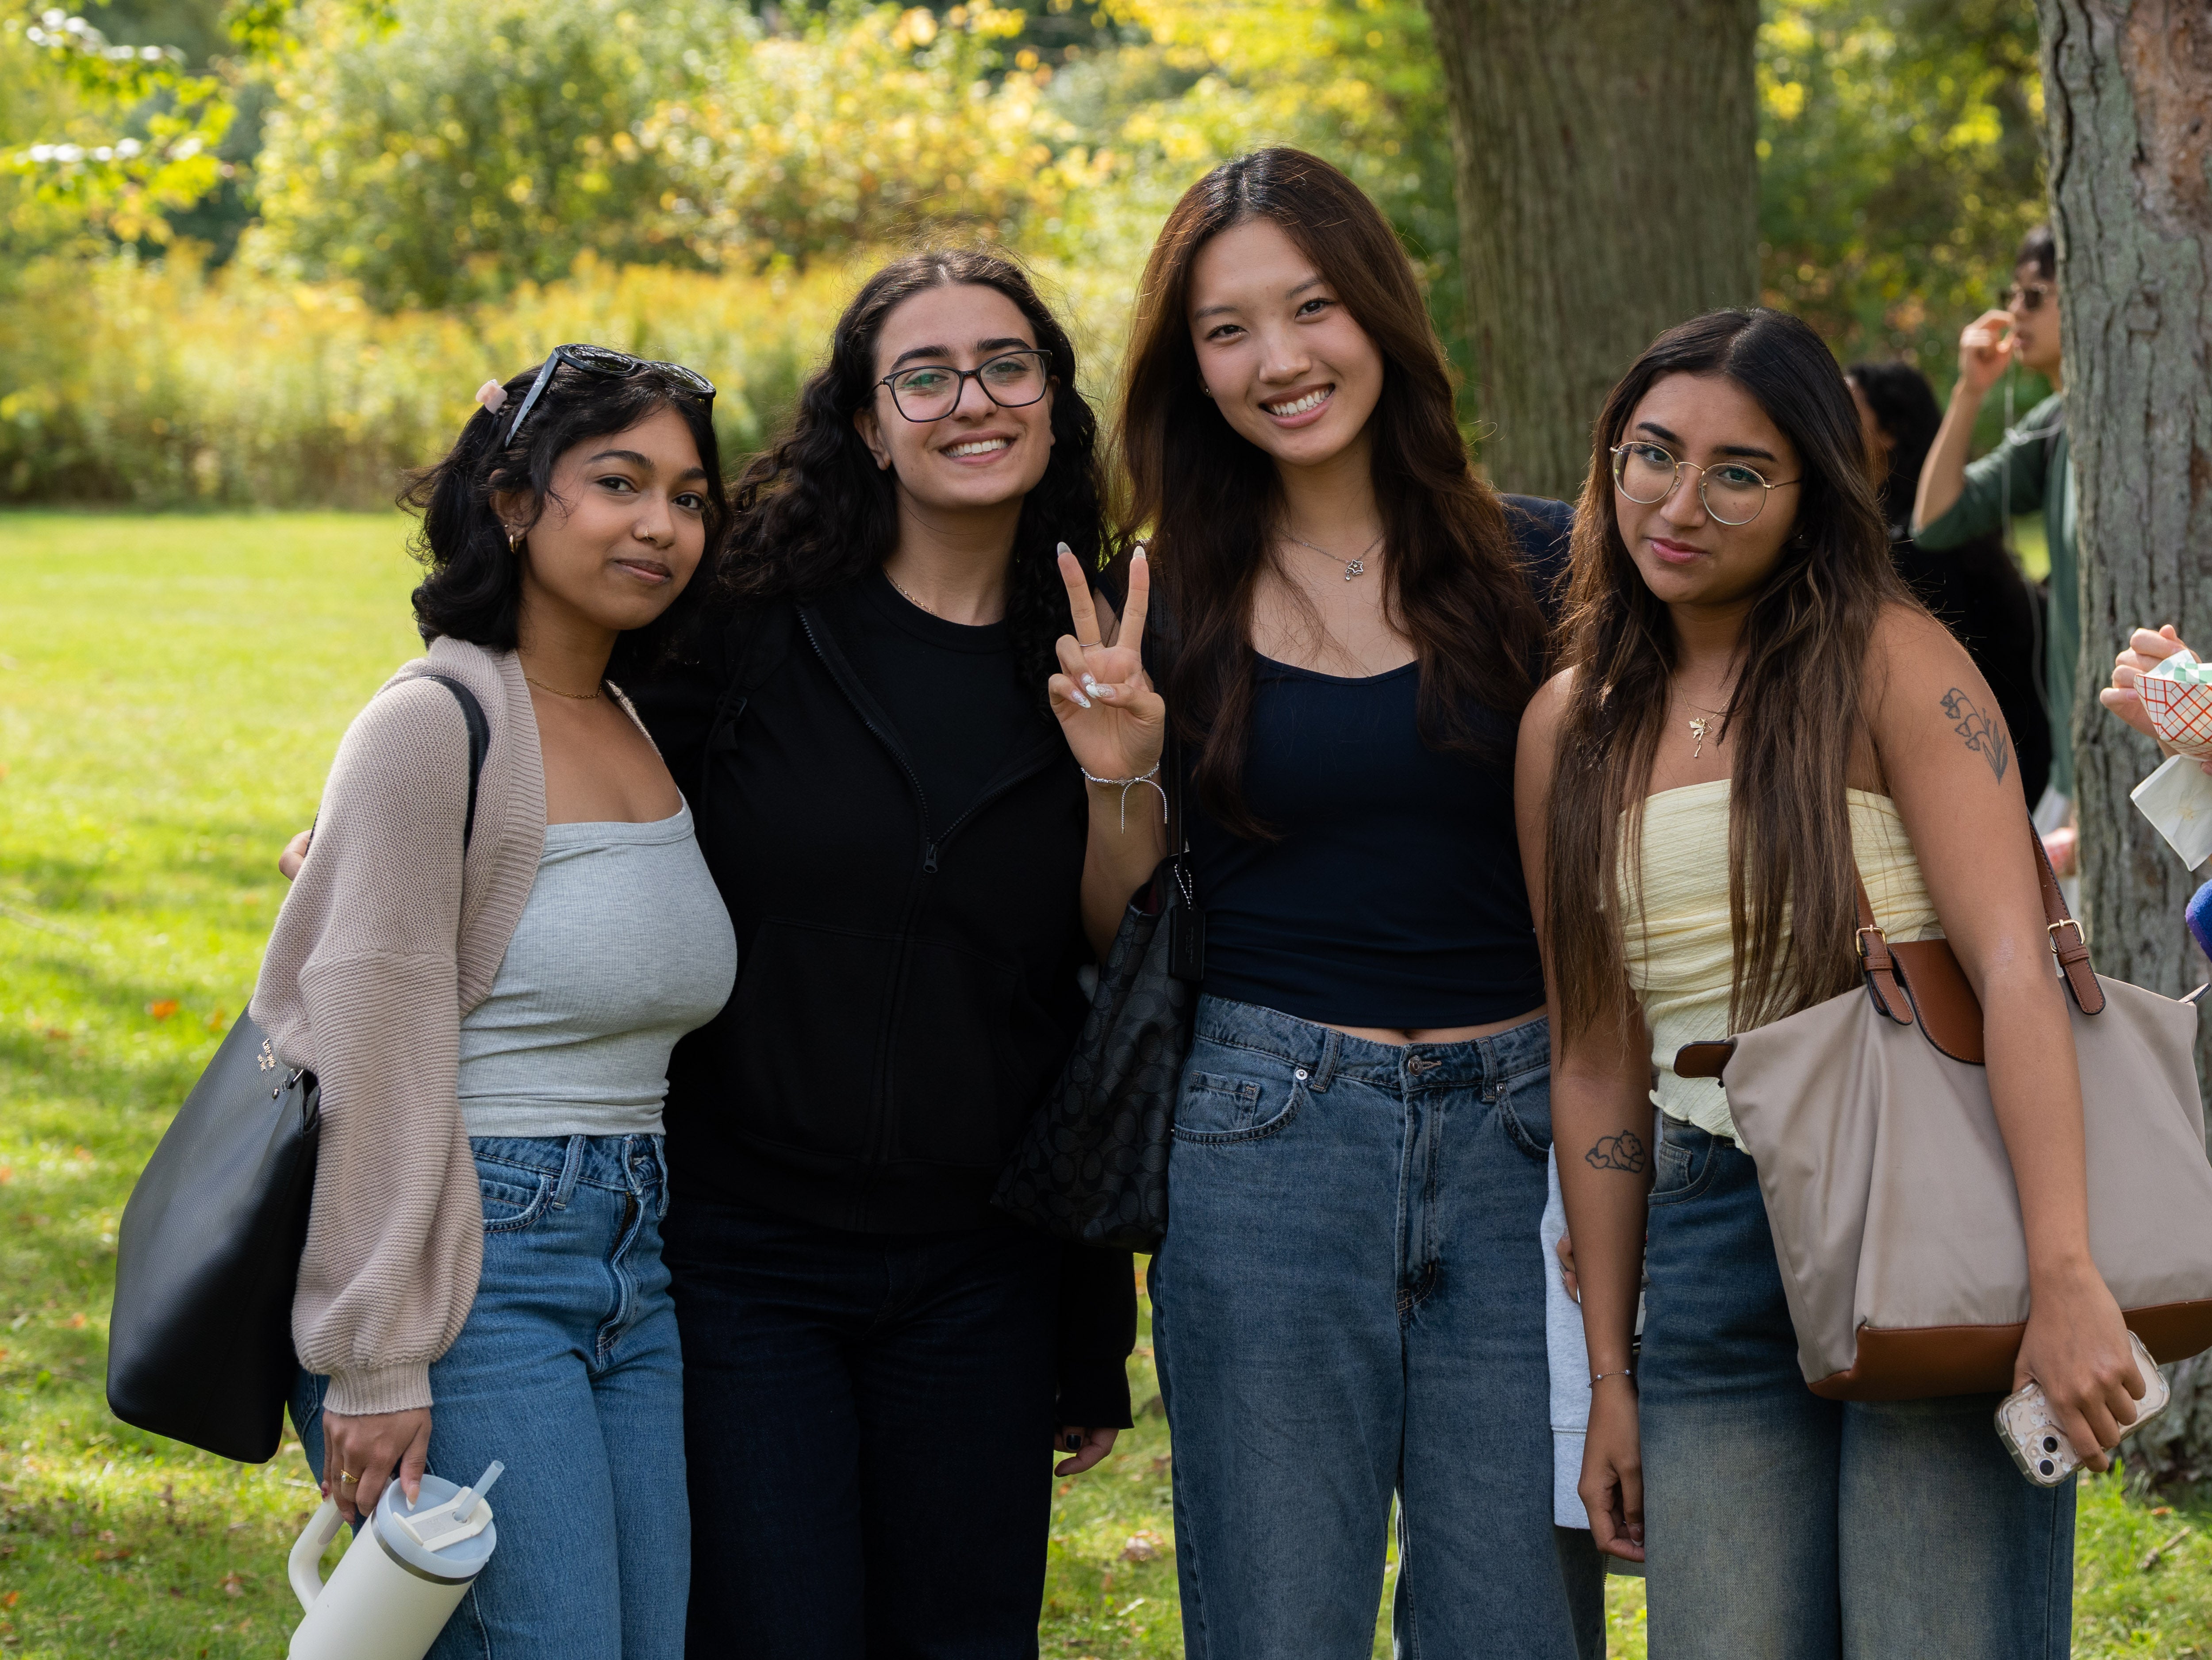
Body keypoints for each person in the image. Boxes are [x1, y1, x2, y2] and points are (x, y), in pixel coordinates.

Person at [1520, 307, 2147, 1657]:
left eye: (1736, 471)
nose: (1678, 504)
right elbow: (1590, 1055)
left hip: (1923, 1197)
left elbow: (2012, 972)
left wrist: (2063, 1272)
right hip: (1699, 1234)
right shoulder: (1567, 722)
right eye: (1650, 454)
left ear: (1811, 493)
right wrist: (1613, 1377)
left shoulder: (1885, 659)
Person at [1088, 146, 1600, 1660]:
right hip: (1268, 1137)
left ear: (1380, 312)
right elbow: (1115, 926)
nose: (1280, 360)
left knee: (1518, 1622)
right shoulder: (1159, 598)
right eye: (1227, 329)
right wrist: (1121, 771)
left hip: (1521, 1141)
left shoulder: (1548, 560)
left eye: (1311, 307)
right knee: (1276, 1619)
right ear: (1191, 365)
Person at [622, 249, 1141, 1658]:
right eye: (923, 373)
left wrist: (1118, 772)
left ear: (1052, 400)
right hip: (742, 1254)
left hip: (980, 1271)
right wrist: (383, 810)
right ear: (865, 420)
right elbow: (539, 684)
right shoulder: (743, 622)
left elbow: (1107, 987)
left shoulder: (1106, 645)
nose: (968, 399)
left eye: (1005, 364)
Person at [263, 346, 735, 1658]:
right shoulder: (435, 720)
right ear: (516, 501)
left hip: (631, 1259)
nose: (659, 524)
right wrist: (374, 1360)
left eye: (689, 497)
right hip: (472, 1262)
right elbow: (371, 1053)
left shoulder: (632, 717)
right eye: (618, 482)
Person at [1914, 226, 2075, 807]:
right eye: (2012, 295)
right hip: (2078, 769)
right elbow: (1935, 520)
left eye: (2034, 297)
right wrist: (1970, 390)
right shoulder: (2054, 427)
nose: (2013, 312)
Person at [1846, 357, 2050, 806]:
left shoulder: (1916, 552)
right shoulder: (1887, 534)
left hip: (1991, 772)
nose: (1827, 417)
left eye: (1846, 408)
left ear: (1890, 431)